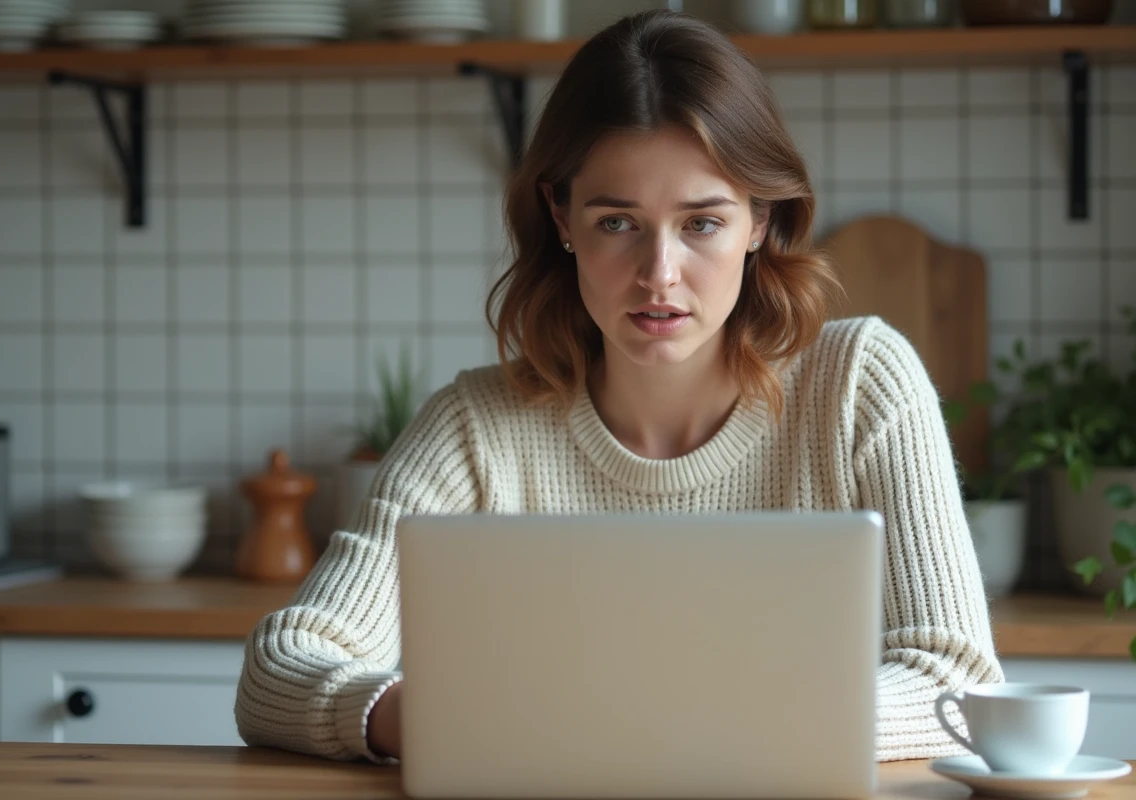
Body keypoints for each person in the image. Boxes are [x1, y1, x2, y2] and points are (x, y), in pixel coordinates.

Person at [234, 9, 1003, 765]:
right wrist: (428, 718)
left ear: (761, 221)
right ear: (560, 215)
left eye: (702, 223)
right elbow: (279, 671)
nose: (658, 274)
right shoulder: (476, 430)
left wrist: (702, 727)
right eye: (616, 223)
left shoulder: (862, 384)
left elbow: (959, 684)